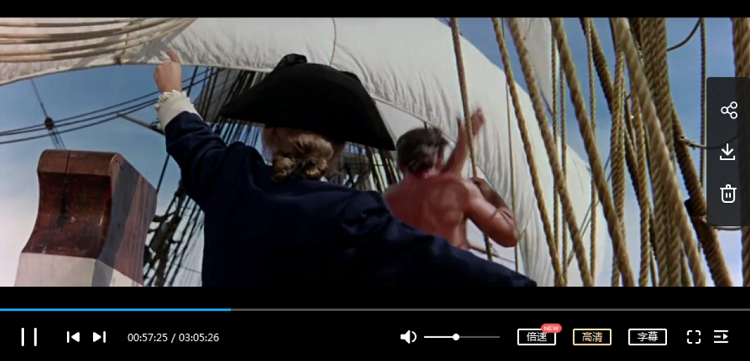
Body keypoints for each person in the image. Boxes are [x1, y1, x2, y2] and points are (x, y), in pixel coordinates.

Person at [154, 51, 535, 286]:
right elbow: (441, 262)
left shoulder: (230, 177)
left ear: (269, 133)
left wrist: (172, 91)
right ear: (337, 150)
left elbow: (194, 142)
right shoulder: (354, 214)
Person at [385, 112, 519, 250]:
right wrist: (491, 196)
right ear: (439, 158)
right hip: (450, 264)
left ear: (399, 164)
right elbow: (510, 236)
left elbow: (437, 188)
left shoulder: (387, 199)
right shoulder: (460, 190)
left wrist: (463, 145)